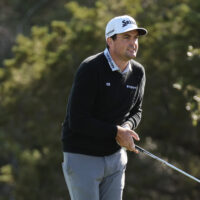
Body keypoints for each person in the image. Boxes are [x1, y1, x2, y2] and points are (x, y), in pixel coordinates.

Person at [61, 15, 147, 200]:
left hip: (115, 157)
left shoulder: (138, 72)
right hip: (82, 155)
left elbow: (136, 111)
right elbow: (78, 120)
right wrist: (117, 132)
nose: (133, 43)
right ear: (110, 40)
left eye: (135, 38)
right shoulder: (91, 68)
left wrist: (127, 128)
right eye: (126, 37)